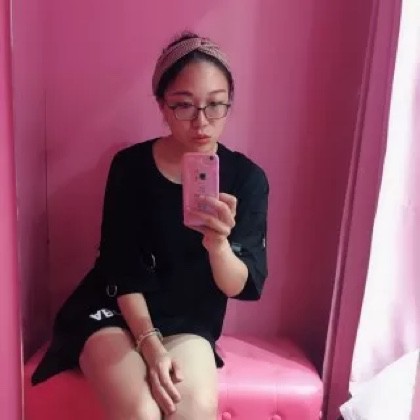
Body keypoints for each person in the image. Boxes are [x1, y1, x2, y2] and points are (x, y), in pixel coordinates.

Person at [32, 31, 269, 420]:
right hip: (114, 311)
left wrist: (218, 245)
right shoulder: (131, 167)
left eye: (215, 105)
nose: (201, 122)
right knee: (141, 411)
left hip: (189, 320)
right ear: (161, 104)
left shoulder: (247, 179)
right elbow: (120, 266)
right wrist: (150, 345)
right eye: (184, 105)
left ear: (230, 103)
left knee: (193, 410)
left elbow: (238, 284)